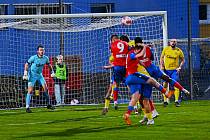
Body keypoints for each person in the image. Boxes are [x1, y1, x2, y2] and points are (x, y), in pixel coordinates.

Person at [123, 43, 167, 125]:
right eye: (137, 49)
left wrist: (142, 63)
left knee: (135, 98)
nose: (138, 50)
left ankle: (127, 114)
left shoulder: (129, 56)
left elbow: (140, 61)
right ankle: (166, 92)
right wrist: (144, 47)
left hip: (129, 79)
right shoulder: (131, 53)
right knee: (151, 81)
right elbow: (141, 54)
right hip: (134, 76)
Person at [23, 45, 55, 113]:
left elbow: (49, 65)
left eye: (43, 50)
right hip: (32, 75)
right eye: (40, 50)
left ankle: (49, 104)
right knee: (30, 90)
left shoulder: (46, 58)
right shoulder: (33, 58)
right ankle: (27, 107)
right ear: (38, 51)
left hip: (40, 75)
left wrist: (52, 72)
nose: (42, 51)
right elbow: (26, 64)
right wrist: (25, 73)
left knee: (46, 89)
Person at [160, 39, 185, 107]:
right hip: (166, 70)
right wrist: (162, 66)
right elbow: (161, 58)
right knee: (165, 85)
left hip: (174, 71)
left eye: (174, 42)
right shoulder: (166, 49)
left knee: (176, 84)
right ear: (169, 43)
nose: (173, 43)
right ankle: (165, 101)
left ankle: (176, 101)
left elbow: (183, 60)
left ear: (176, 43)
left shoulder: (179, 51)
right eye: (172, 41)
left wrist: (180, 67)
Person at [110, 34, 130, 109]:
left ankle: (115, 102)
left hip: (117, 67)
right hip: (125, 67)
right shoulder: (126, 44)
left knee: (115, 84)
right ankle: (135, 104)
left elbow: (113, 56)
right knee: (129, 84)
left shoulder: (113, 45)